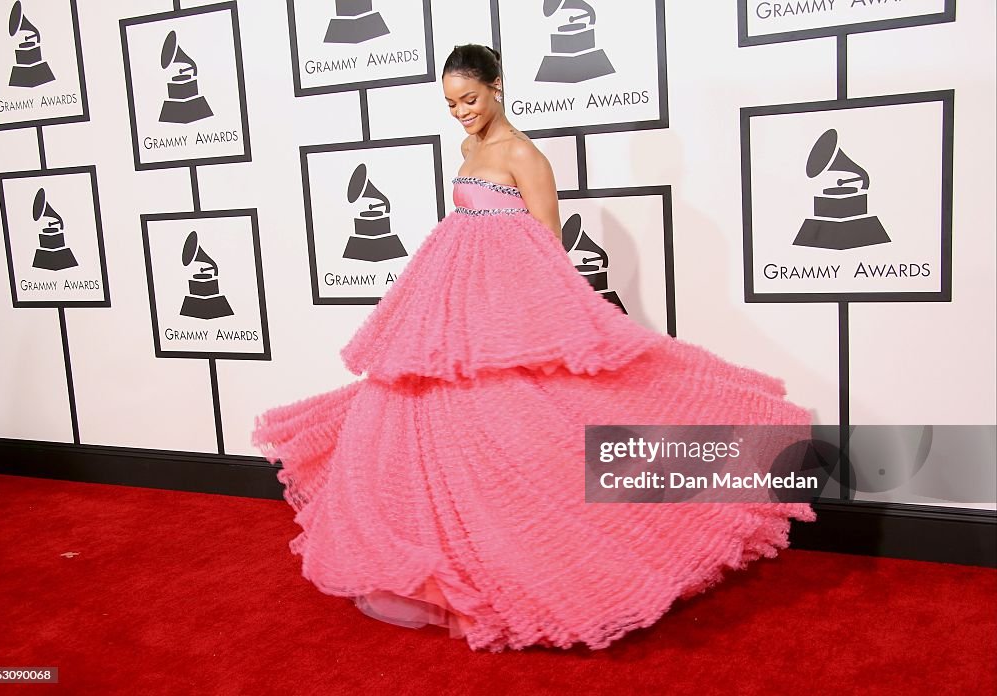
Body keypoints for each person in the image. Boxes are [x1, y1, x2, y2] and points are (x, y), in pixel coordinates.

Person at [252, 44, 816, 652]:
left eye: (469, 99)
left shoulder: (524, 154)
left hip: (505, 306)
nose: (461, 113)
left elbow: (547, 240)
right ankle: (446, 559)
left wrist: (555, 318)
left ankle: (557, 555)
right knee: (435, 425)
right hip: (450, 306)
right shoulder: (468, 150)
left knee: (529, 423)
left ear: (497, 86)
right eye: (450, 104)